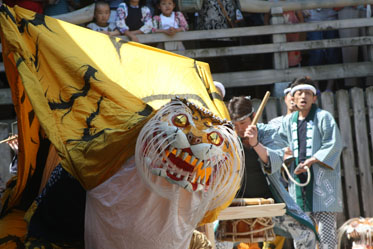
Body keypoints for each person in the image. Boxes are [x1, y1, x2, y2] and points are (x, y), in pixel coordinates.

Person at [249, 77, 343, 249]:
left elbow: (334, 144)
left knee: (326, 232)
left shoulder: (324, 117)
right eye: (299, 93)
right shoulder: (287, 122)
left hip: (323, 186)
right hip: (297, 185)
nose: (303, 97)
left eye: (308, 93)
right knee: (303, 230)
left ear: (314, 98)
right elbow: (274, 138)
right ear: (292, 97)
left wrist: (311, 160)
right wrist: (250, 129)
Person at [228, 96, 317, 249]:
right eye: (235, 124)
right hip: (237, 205)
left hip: (269, 204)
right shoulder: (228, 137)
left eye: (243, 123)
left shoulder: (267, 132)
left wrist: (255, 143)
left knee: (306, 232)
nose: (240, 129)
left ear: (253, 117)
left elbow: (274, 163)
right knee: (214, 238)